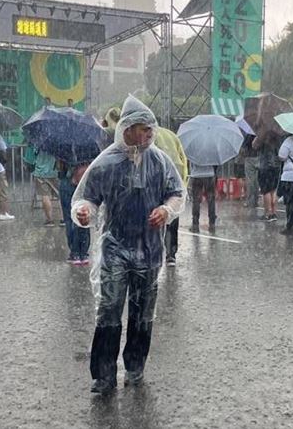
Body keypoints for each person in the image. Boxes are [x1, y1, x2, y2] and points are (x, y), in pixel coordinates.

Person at [71, 96, 185, 394]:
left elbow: (177, 193)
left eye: (151, 129)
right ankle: (104, 375)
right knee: (109, 309)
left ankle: (135, 367)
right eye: (143, 129)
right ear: (128, 128)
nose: (149, 134)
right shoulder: (107, 162)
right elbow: (87, 198)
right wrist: (84, 212)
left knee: (142, 311)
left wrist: (167, 210)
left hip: (149, 249)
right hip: (115, 249)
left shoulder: (159, 160)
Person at [154, 126, 188, 266]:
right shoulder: (171, 135)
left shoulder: (148, 136)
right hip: (176, 176)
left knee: (155, 216)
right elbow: (183, 157)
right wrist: (183, 182)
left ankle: (155, 253)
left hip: (158, 179)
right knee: (172, 215)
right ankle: (171, 254)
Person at [59, 161, 91, 265]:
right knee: (84, 216)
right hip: (85, 186)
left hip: (69, 185)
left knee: (70, 219)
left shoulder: (65, 151)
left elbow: (60, 170)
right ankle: (84, 253)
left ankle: (75, 253)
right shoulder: (90, 151)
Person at [24, 146, 60, 226]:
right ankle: (63, 219)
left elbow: (29, 160)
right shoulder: (58, 140)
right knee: (60, 196)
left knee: (45, 196)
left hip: (41, 173)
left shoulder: (36, 142)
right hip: (56, 172)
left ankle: (50, 220)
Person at [254, 137, 281, 222]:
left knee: (266, 191)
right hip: (276, 166)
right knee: (273, 190)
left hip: (265, 166)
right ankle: (273, 212)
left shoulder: (263, 135)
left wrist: (258, 137)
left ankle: (268, 213)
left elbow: (254, 145)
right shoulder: (278, 136)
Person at [189, 162, 217, 233]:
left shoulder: (193, 151)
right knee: (211, 200)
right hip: (209, 174)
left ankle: (195, 224)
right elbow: (215, 164)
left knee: (196, 200)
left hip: (196, 175)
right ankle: (212, 223)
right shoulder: (211, 150)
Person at [242, 133, 260, 208]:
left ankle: (250, 201)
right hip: (259, 157)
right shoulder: (261, 133)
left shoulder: (249, 134)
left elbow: (243, 148)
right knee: (257, 181)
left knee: (250, 181)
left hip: (249, 158)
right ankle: (256, 200)